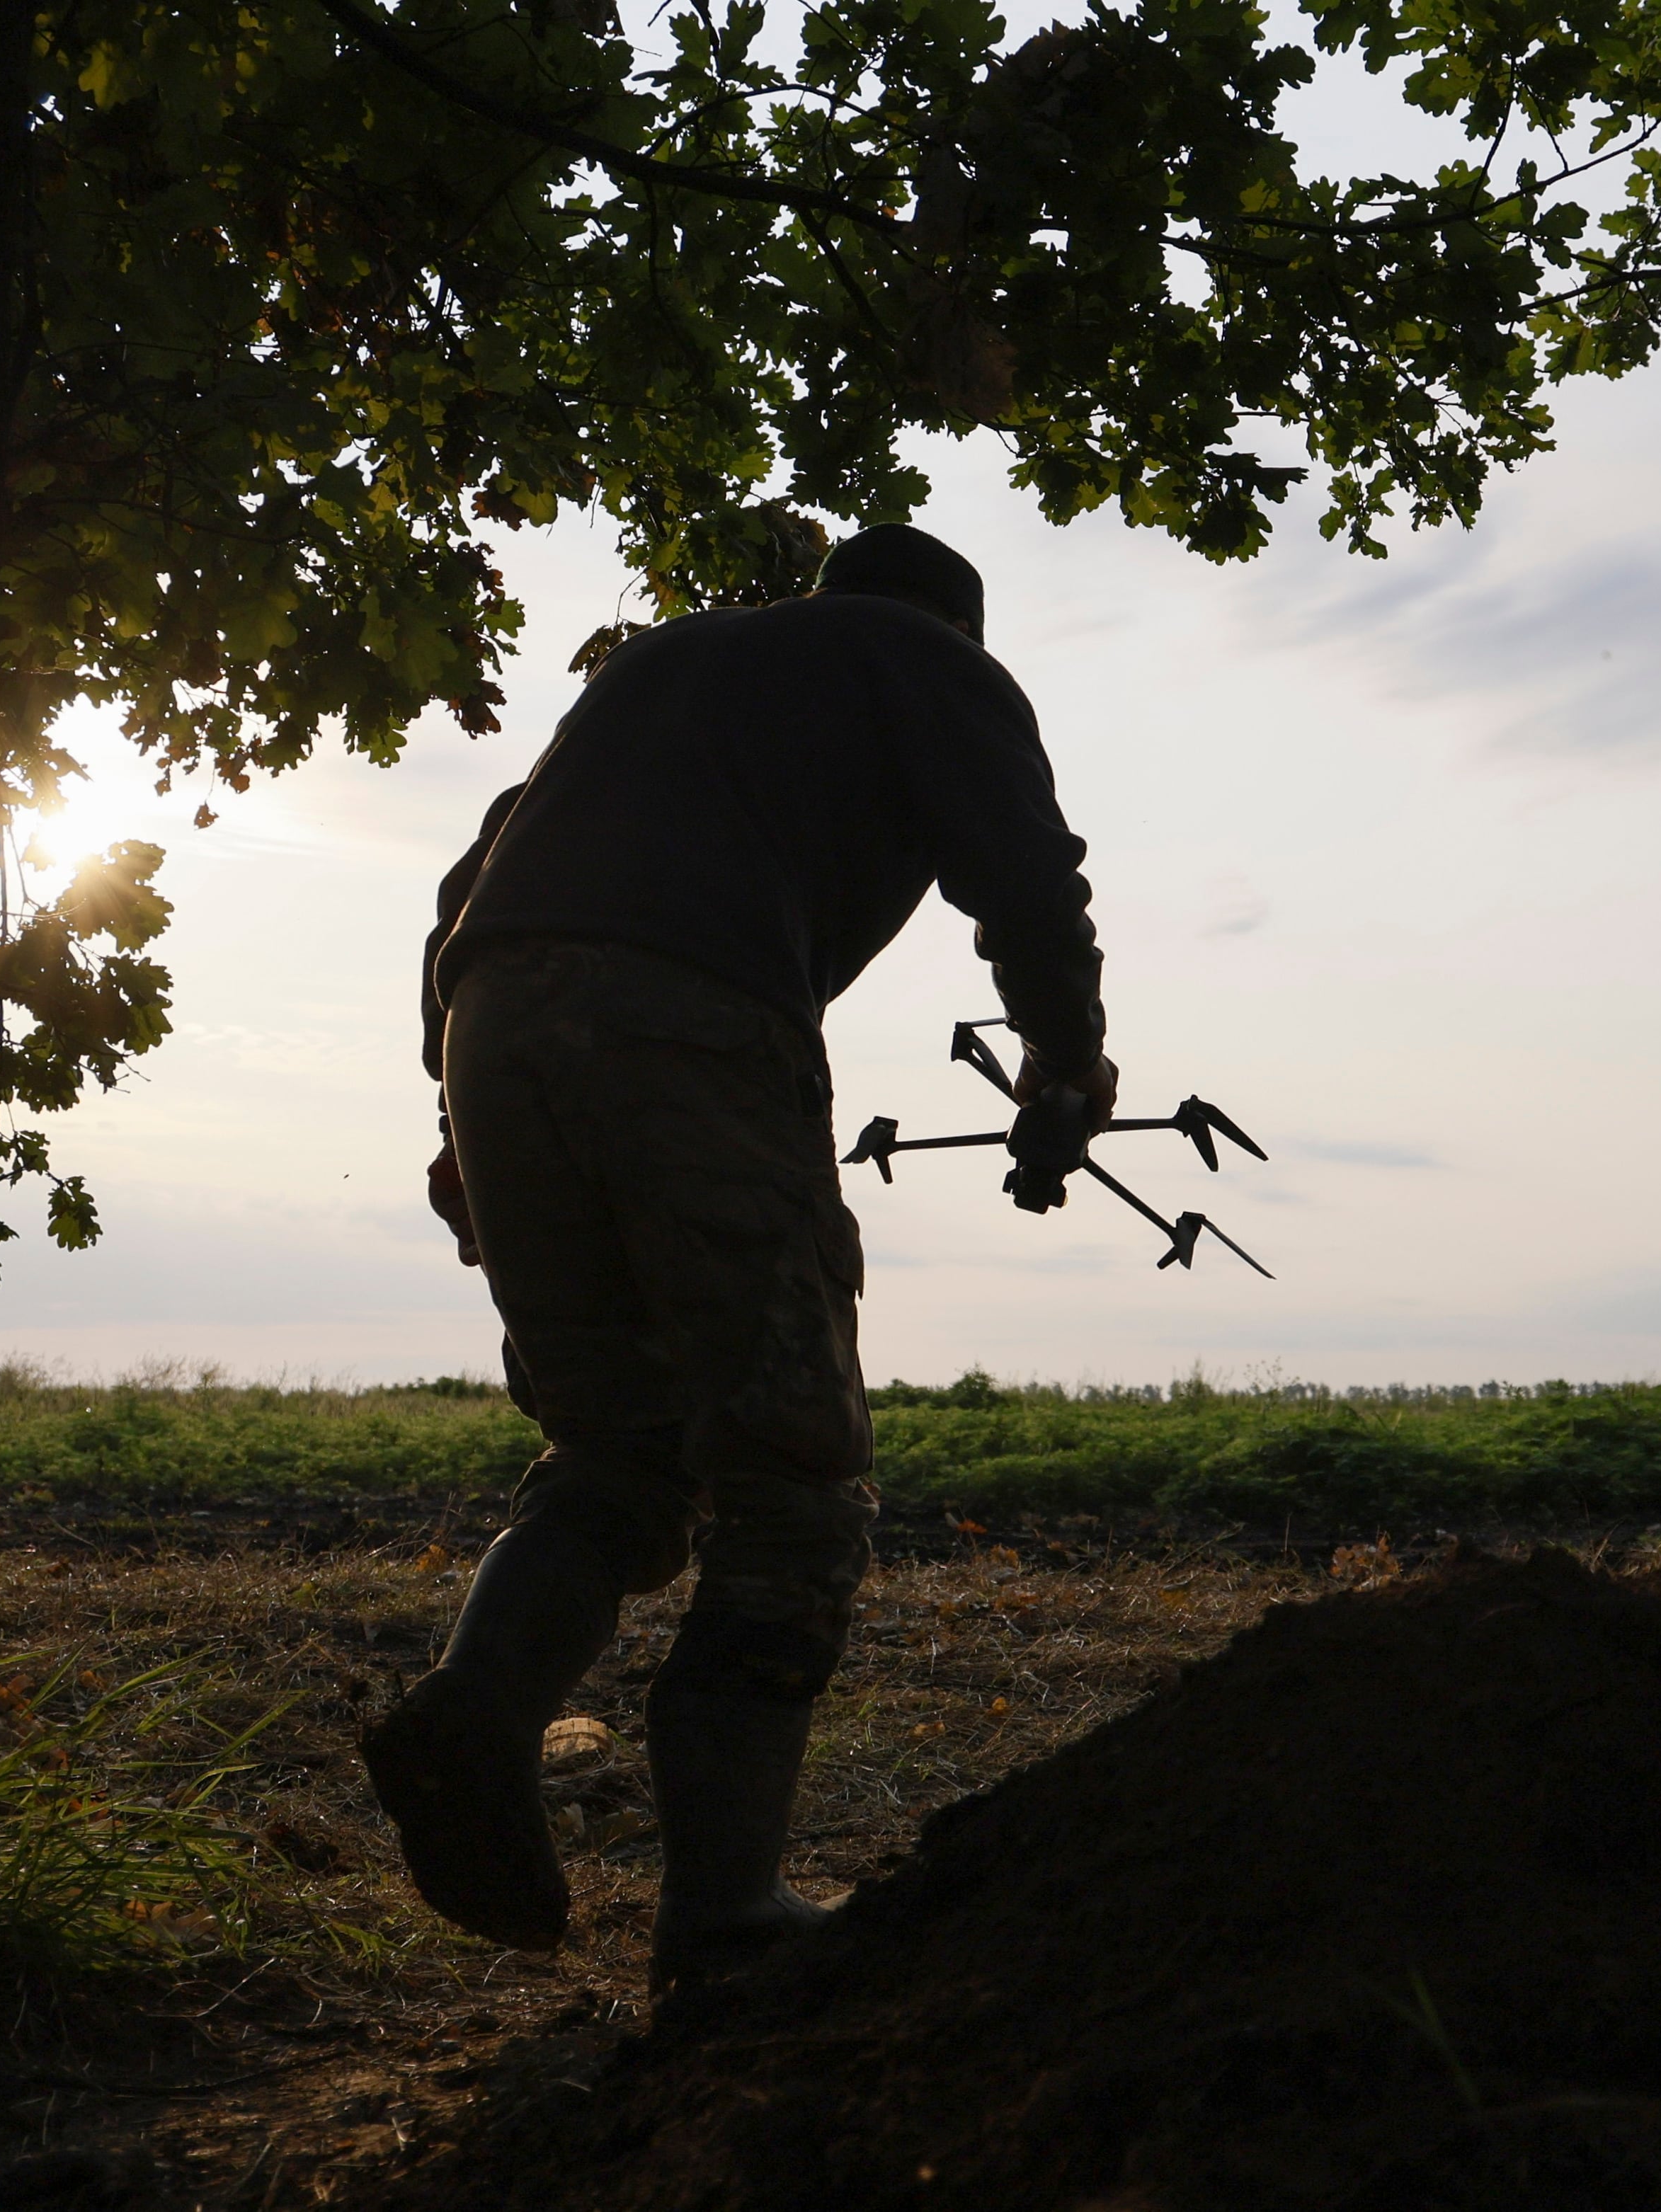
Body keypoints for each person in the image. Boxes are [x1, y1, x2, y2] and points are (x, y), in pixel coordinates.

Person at [361, 522, 1117, 1991]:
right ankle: (722, 1921)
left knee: (621, 1447)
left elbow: (479, 870)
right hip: (693, 1024)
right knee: (791, 1484)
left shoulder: (659, 670)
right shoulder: (924, 661)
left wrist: (463, 1111)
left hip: (494, 1026)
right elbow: (1024, 870)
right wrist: (1066, 1058)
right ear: (951, 626)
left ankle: (474, 1710)